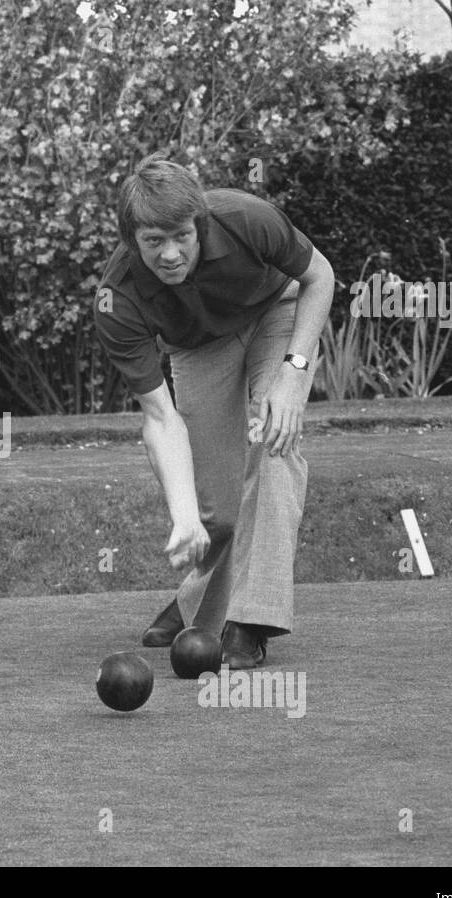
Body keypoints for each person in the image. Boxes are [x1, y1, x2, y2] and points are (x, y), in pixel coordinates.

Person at [92, 154, 334, 668]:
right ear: (131, 239)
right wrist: (182, 517)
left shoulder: (246, 218)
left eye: (181, 235)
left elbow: (321, 276)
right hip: (198, 346)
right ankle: (197, 601)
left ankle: (250, 620)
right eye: (153, 241)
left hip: (277, 312)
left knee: (273, 440)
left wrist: (293, 375)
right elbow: (160, 418)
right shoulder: (118, 299)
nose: (171, 254)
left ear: (199, 224)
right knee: (214, 505)